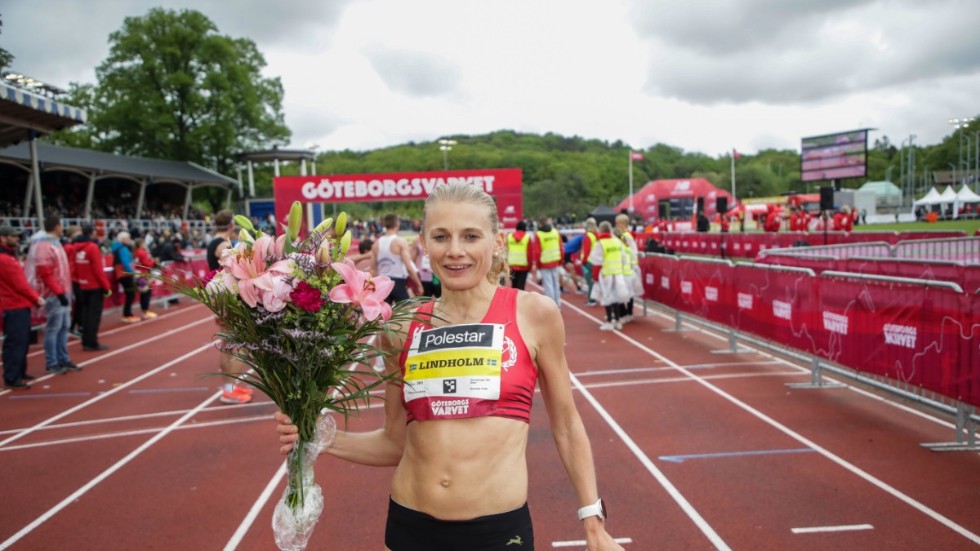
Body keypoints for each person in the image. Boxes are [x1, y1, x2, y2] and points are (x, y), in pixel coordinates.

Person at [275, 183, 624, 551]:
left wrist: (593, 520)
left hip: (498, 532)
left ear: (497, 241)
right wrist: (316, 438)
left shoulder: (534, 313)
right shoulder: (399, 326)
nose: (455, 251)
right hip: (410, 526)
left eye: (471, 236)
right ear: (424, 244)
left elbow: (567, 425)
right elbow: (394, 443)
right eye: (441, 237)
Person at [206, 209, 253, 405]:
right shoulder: (222, 245)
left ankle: (230, 387)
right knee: (239, 345)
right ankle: (229, 390)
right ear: (232, 226)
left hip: (223, 297)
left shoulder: (213, 242)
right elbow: (233, 264)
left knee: (228, 345)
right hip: (229, 298)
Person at [25, 215, 80, 375]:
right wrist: (58, 291)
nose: (62, 229)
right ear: (56, 227)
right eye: (60, 226)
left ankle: (63, 358)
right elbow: (45, 272)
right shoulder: (44, 246)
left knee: (63, 326)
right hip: (54, 293)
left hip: (63, 290)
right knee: (54, 327)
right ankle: (52, 361)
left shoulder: (55, 244)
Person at [1, 226, 45, 389]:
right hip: (14, 306)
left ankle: (19, 371)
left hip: (18, 304)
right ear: (3, 238)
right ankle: (12, 376)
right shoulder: (6, 259)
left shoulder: (10, 257)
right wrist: (36, 298)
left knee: (22, 341)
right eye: (14, 236)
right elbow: (20, 285)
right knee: (16, 342)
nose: (18, 239)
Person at [72, 224, 112, 351]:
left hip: (83, 285)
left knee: (85, 314)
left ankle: (85, 340)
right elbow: (98, 270)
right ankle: (92, 342)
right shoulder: (92, 248)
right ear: (91, 233)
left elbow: (74, 267)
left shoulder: (75, 248)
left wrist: (79, 281)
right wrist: (106, 287)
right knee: (93, 315)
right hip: (94, 286)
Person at [372, 213, 423, 304]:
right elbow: (409, 267)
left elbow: (373, 270)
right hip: (397, 283)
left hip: (382, 283)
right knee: (407, 314)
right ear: (397, 224)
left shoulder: (376, 244)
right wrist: (418, 284)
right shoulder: (400, 242)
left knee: (382, 317)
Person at [588, 221, 628, 331]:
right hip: (618, 273)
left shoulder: (600, 243)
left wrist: (595, 276)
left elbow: (596, 262)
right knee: (616, 297)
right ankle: (618, 321)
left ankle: (610, 321)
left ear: (600, 230)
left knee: (607, 298)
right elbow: (624, 258)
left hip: (606, 273)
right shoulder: (617, 241)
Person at [531, 216, 563, 308]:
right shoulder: (555, 232)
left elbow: (537, 251)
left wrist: (538, 264)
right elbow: (561, 247)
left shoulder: (539, 234)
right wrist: (560, 260)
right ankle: (558, 305)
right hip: (556, 261)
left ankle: (551, 307)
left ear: (540, 224)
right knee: (556, 284)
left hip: (545, 263)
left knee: (548, 286)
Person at [111, 231, 140, 324]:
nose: (129, 240)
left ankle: (128, 313)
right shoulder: (122, 248)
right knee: (130, 293)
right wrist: (133, 272)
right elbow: (125, 262)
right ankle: (127, 314)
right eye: (128, 238)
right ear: (123, 239)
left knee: (130, 294)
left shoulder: (119, 247)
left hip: (122, 273)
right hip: (124, 273)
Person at [132, 237, 158, 320]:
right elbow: (147, 264)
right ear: (140, 244)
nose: (145, 245)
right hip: (143, 275)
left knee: (143, 293)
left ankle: (144, 311)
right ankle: (145, 311)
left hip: (139, 274)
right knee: (146, 293)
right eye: (144, 243)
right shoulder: (142, 253)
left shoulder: (135, 252)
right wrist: (153, 261)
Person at [506, 220, 532, 290]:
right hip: (523, 266)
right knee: (521, 287)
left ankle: (513, 301)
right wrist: (530, 267)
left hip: (512, 266)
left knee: (514, 286)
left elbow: (506, 251)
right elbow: (529, 254)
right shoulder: (527, 237)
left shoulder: (509, 237)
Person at [580, 218, 599, 306]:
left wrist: (583, 261)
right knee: (595, 281)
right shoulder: (598, 235)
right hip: (596, 260)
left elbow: (586, 250)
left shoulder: (588, 236)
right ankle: (595, 298)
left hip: (589, 261)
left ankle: (591, 299)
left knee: (590, 281)